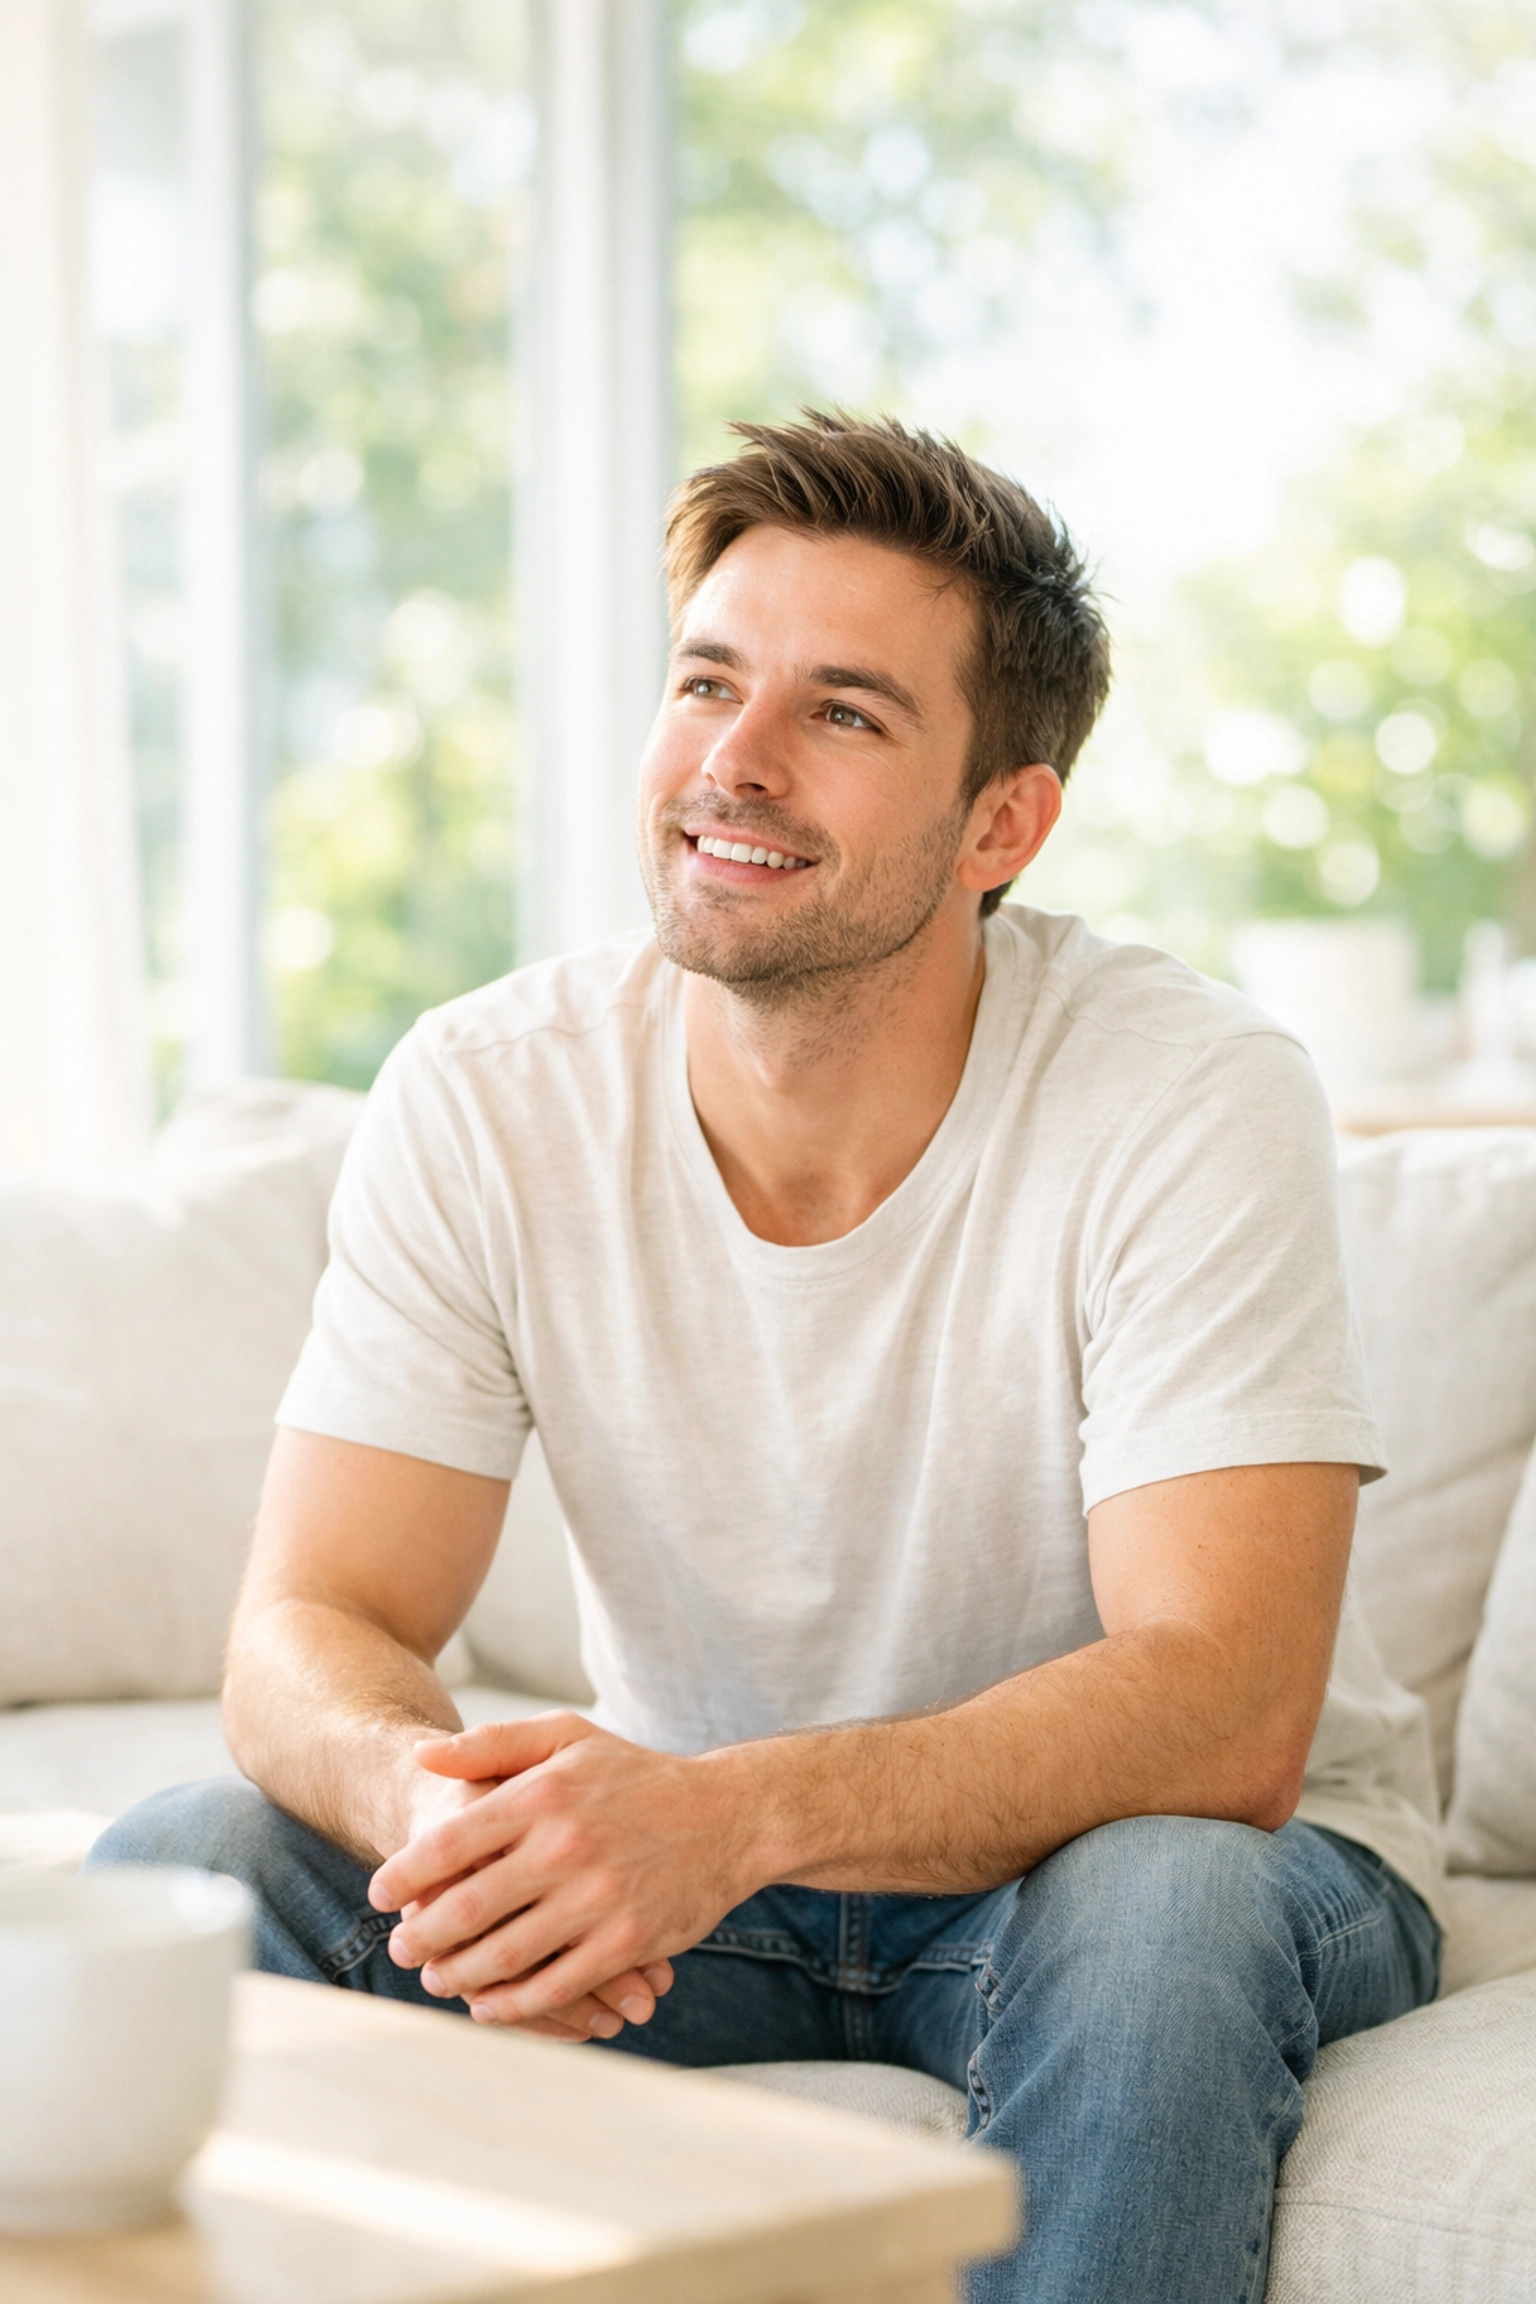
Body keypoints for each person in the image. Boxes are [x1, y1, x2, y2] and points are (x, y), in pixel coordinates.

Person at [93, 412, 1443, 2304]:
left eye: (845, 713)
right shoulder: (491, 1094)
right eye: (707, 681)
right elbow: (308, 1621)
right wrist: (438, 1819)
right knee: (191, 1854)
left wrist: (724, 1813)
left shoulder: (1185, 1092)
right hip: (694, 1880)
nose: (733, 760)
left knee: (1161, 1904)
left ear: (1006, 825)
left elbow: (1224, 1714)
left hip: (1148, 1869)